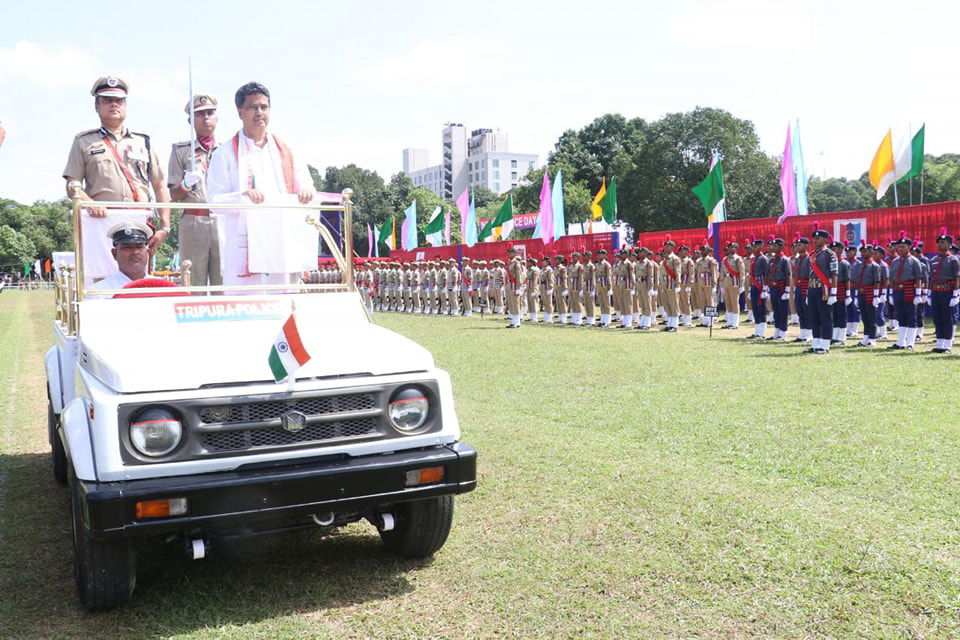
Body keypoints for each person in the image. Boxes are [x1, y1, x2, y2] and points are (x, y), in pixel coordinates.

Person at [206, 81, 315, 289]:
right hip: (244, 246)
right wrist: (244, 196)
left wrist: (306, 193)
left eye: (263, 107)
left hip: (281, 242)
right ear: (240, 112)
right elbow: (214, 201)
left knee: (284, 305)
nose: (259, 112)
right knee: (247, 308)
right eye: (252, 107)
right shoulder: (225, 153)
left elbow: (306, 186)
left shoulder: (288, 151)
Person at [63, 76, 172, 283]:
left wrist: (165, 226)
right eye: (107, 100)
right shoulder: (84, 141)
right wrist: (89, 203)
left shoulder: (143, 141)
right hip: (100, 222)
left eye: (119, 100)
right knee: (101, 281)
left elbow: (159, 184)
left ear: (125, 105)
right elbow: (72, 184)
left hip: (140, 222)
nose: (114, 104)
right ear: (97, 106)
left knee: (141, 281)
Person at [169, 94, 221, 290]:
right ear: (191, 120)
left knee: (223, 283)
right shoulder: (181, 151)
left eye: (210, 113)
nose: (206, 117)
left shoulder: (228, 150)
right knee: (192, 285)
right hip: (194, 222)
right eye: (199, 114)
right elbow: (174, 195)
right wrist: (185, 184)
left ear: (217, 118)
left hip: (222, 221)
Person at [89, 221, 152, 294]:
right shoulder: (98, 292)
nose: (135, 252)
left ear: (147, 252)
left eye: (139, 247)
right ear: (114, 254)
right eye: (127, 248)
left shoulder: (162, 288)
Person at [887, 237, 924, 350]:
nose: (900, 249)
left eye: (903, 246)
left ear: (909, 247)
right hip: (898, 290)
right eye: (899, 246)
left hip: (909, 291)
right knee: (900, 316)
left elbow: (918, 278)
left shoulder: (914, 261)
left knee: (911, 316)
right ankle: (900, 342)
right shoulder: (894, 261)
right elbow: (892, 278)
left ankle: (910, 343)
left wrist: (918, 294)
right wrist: (892, 293)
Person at [805, 228, 838, 354]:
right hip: (812, 288)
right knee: (814, 318)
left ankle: (825, 345)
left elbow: (834, 274)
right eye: (814, 238)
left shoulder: (830, 254)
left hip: (824, 289)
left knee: (825, 318)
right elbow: (810, 274)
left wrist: (833, 293)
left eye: (818, 238)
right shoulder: (812, 254)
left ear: (825, 239)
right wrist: (808, 292)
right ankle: (815, 344)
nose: (815, 240)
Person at [928, 231, 960, 353]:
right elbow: (931, 277)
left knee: (948, 318)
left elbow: (957, 277)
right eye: (939, 243)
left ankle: (947, 345)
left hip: (948, 291)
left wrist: (956, 294)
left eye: (943, 242)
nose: (940, 245)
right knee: (937, 318)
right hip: (936, 291)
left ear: (949, 245)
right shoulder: (934, 260)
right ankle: (939, 343)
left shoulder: (953, 260)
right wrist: (930, 294)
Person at [720, 242, 745, 329]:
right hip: (726, 282)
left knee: (734, 302)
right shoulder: (724, 259)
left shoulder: (738, 259)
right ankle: (729, 322)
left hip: (734, 282)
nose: (731, 249)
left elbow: (742, 272)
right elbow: (722, 272)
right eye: (730, 247)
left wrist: (742, 284)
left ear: (736, 249)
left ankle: (735, 323)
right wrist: (721, 284)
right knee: (728, 302)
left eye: (733, 247)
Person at [539, 255, 555, 323]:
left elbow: (551, 279)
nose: (542, 262)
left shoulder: (549, 269)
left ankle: (549, 317)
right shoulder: (542, 269)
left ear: (548, 262)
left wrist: (550, 288)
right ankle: (546, 316)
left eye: (544, 261)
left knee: (548, 303)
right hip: (543, 287)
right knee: (545, 302)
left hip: (547, 287)